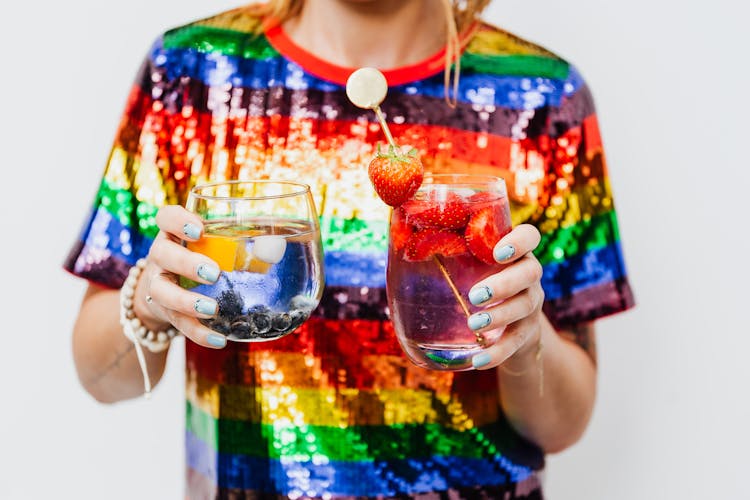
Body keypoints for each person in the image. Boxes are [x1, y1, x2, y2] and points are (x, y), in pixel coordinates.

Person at [65, 0, 635, 498]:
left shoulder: (542, 95)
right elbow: (102, 379)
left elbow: (562, 426)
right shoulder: (192, 73)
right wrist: (148, 302)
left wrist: (525, 342)